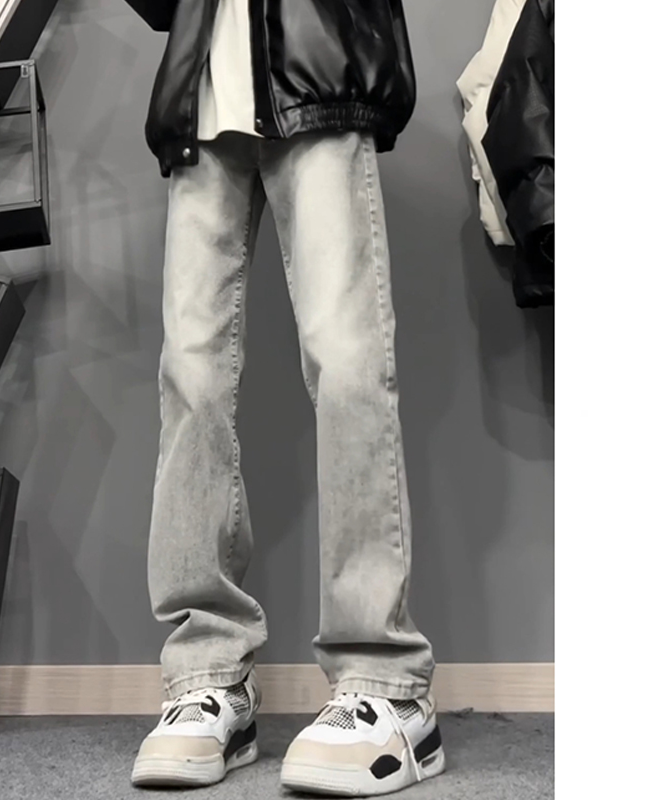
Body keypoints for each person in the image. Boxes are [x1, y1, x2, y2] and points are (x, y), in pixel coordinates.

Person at [124, 0, 445, 795]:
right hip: (203, 98)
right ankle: (209, 679)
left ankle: (386, 682)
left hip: (318, 73)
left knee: (347, 362)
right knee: (190, 380)